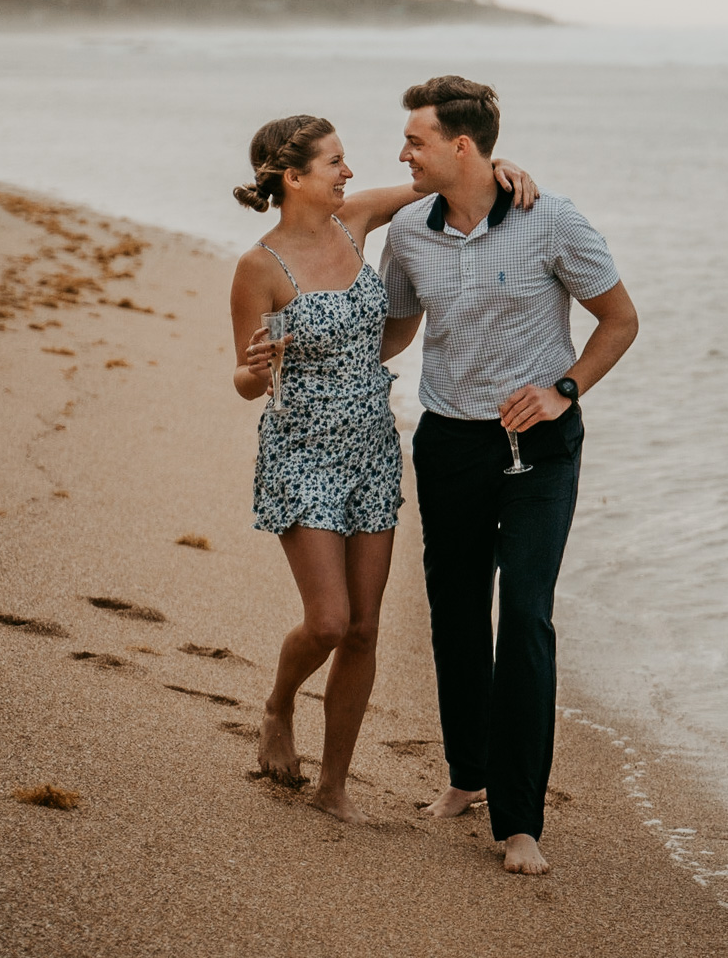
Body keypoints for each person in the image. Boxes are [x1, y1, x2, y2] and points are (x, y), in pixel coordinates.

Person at [230, 113, 537, 823]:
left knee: (365, 628)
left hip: (371, 445)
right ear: (293, 177)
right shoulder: (259, 267)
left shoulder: (355, 220)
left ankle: (333, 785)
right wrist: (251, 370)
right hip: (301, 449)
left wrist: (504, 168)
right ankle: (279, 705)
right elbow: (248, 383)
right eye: (335, 163)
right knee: (330, 621)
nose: (348, 173)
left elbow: (448, 181)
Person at [379, 76, 639, 875]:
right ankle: (467, 776)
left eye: (416, 140)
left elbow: (620, 320)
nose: (403, 152)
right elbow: (393, 334)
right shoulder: (407, 231)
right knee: (456, 612)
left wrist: (564, 391)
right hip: (449, 443)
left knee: (524, 615)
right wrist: (307, 351)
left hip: (539, 452)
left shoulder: (549, 218)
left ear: (462, 145)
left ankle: (521, 822)